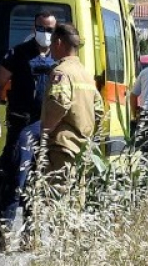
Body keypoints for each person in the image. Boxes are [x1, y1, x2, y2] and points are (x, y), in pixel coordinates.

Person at [0, 11, 57, 252]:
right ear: (34, 26)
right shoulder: (18, 53)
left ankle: (31, 237)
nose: (45, 33)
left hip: (46, 125)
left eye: (50, 29)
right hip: (22, 124)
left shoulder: (58, 58)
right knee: (15, 180)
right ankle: (5, 236)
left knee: (38, 184)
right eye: (42, 27)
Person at [39, 22, 102, 179]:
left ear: (58, 42)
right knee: (75, 198)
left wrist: (45, 131)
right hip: (82, 149)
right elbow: (99, 111)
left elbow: (59, 103)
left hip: (62, 147)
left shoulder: (61, 72)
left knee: (55, 196)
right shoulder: (86, 74)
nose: (50, 48)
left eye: (52, 43)